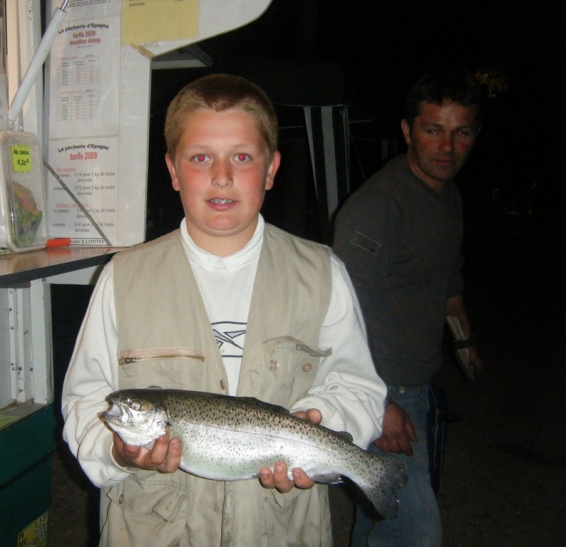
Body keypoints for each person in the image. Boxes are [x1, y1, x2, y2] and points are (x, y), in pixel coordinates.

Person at [62, 74, 387, 547]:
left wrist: (321, 419)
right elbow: (86, 401)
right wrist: (117, 452)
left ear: (271, 168)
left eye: (242, 156)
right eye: (200, 158)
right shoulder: (123, 277)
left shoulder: (322, 273)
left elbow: (358, 387)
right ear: (172, 170)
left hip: (282, 529)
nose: (221, 175)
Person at [332, 69, 486, 547]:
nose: (447, 146)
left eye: (460, 132)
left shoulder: (448, 198)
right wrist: (378, 402)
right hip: (382, 388)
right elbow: (337, 310)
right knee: (417, 531)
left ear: (474, 135)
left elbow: (448, 276)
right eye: (433, 129)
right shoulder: (380, 206)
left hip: (416, 387)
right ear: (407, 131)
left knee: (382, 523)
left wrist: (462, 340)